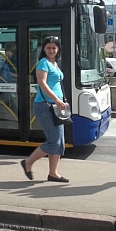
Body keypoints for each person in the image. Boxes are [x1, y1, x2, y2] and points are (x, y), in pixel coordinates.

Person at [20, 36, 69, 183]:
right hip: (45, 105)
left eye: (54, 47)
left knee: (59, 141)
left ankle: (53, 173)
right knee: (54, 141)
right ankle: (28, 162)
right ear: (44, 49)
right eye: (48, 47)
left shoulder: (54, 64)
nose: (51, 50)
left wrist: (61, 102)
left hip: (57, 106)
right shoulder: (43, 63)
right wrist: (56, 99)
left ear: (58, 49)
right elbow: (42, 83)